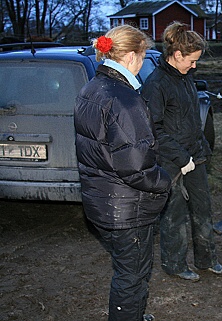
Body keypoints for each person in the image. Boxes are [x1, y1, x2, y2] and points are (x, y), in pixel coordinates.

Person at [74, 25, 171, 321]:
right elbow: (136, 167)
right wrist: (165, 180)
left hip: (102, 202)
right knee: (132, 276)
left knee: (127, 270)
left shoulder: (92, 88)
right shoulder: (124, 100)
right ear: (131, 56)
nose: (142, 62)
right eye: (142, 55)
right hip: (127, 208)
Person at [142, 21, 222, 281]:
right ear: (177, 54)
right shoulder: (156, 84)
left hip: (195, 155)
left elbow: (191, 118)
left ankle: (207, 260)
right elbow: (154, 129)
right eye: (191, 61)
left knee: (203, 209)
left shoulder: (186, 77)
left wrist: (201, 148)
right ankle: (175, 264)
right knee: (174, 215)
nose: (195, 66)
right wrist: (181, 158)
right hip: (171, 161)